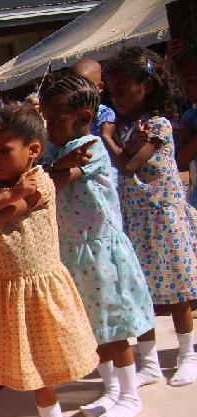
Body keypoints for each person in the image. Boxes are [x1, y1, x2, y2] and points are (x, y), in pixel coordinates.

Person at [0, 105, 99, 417]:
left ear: (33, 150)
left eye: (4, 151)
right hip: (11, 285)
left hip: (35, 284)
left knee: (40, 369)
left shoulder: (39, 183)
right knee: (33, 365)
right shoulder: (4, 185)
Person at [40, 75, 155, 417]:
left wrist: (51, 169)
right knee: (93, 326)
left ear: (84, 117)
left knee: (114, 326)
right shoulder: (58, 152)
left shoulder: (90, 147)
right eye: (47, 120)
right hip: (74, 252)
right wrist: (52, 165)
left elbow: (54, 182)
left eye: (56, 120)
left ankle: (130, 394)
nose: (49, 128)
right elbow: (48, 173)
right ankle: (111, 389)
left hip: (100, 251)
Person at [102, 47, 197, 386]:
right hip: (135, 220)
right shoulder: (130, 127)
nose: (116, 98)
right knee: (139, 290)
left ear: (147, 86)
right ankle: (149, 362)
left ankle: (187, 355)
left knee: (176, 290)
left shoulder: (157, 125)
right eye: (112, 91)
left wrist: (107, 137)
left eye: (122, 90)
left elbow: (128, 165)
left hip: (163, 217)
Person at [171, 45, 197, 207]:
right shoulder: (190, 117)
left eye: (190, 80)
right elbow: (181, 160)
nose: (185, 89)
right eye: (182, 84)